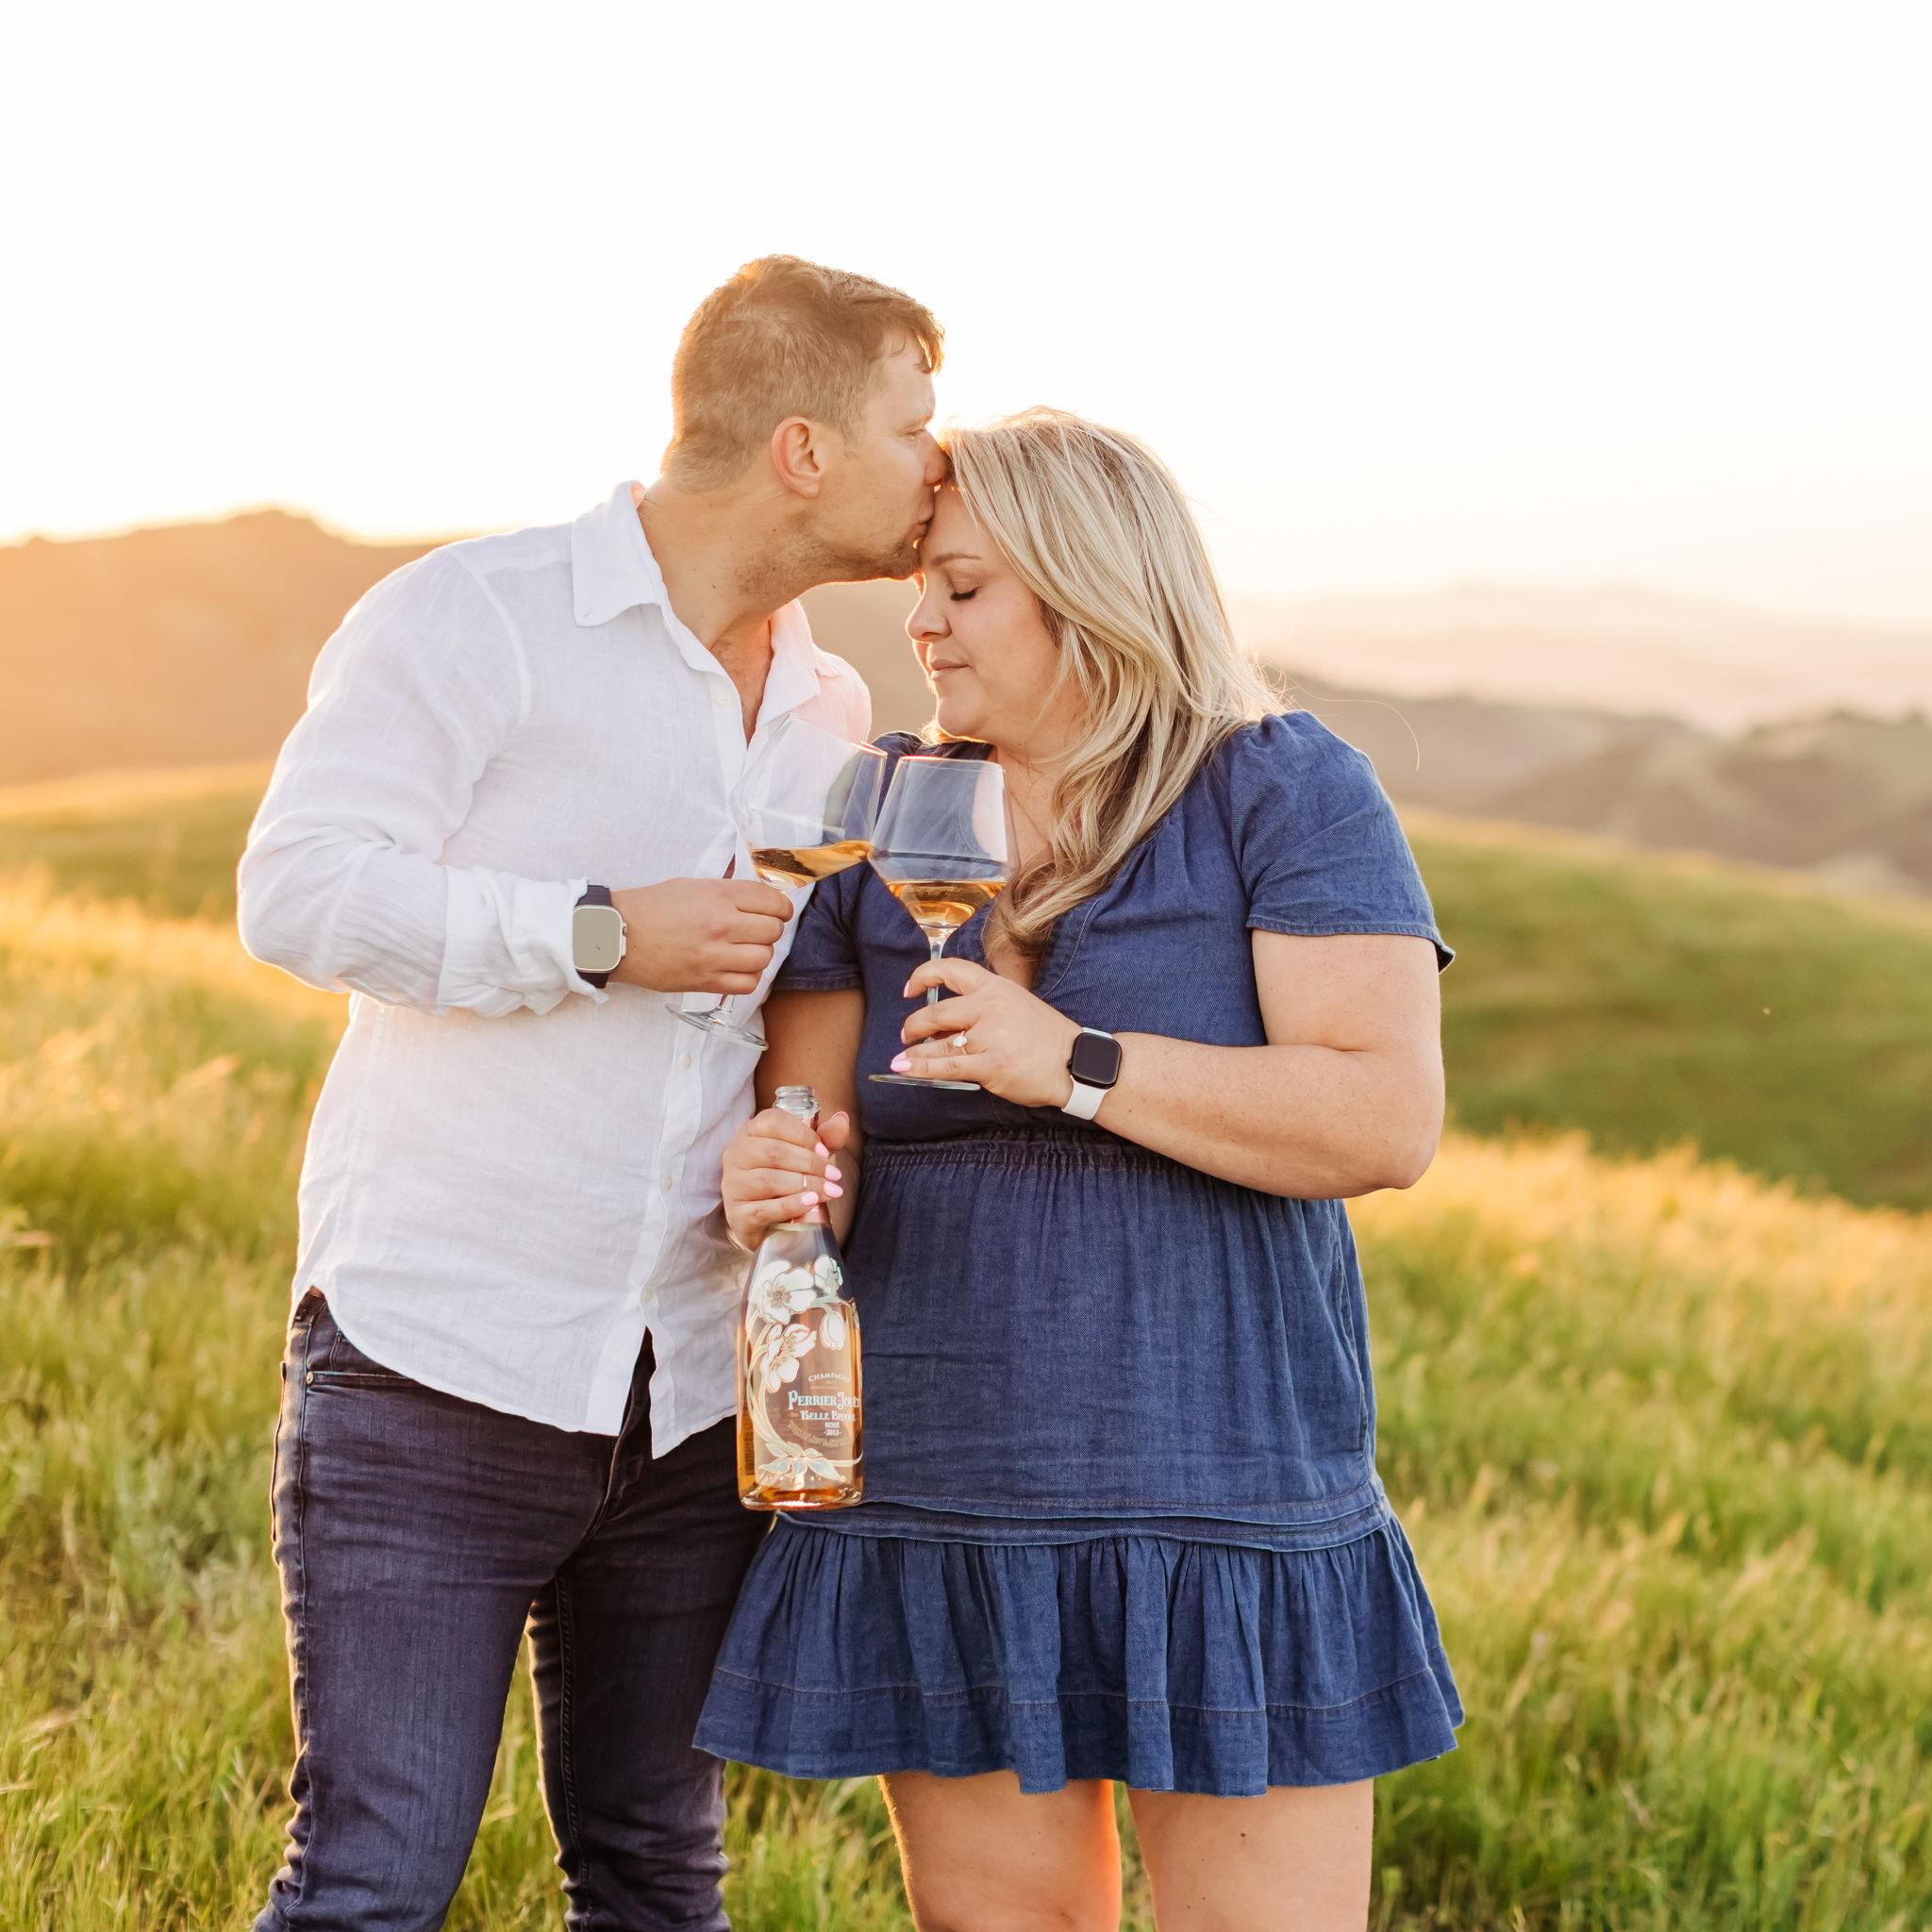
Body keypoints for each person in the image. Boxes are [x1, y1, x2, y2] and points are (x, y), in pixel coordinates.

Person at [235, 256, 945, 1932]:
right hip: (437, 1366)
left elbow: (784, 1008)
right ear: (801, 450)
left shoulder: (831, 706)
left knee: (655, 1879)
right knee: (372, 1885)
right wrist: (596, 934)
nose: (943, 461)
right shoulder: (474, 618)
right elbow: (298, 890)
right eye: (914, 427)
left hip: (688, 1400)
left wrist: (792, 1135)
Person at [697, 409, 1463, 1931]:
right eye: (921, 584)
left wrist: (1077, 1065)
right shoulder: (878, 804)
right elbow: (816, 1137)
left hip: (1225, 1492)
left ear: (1091, 585)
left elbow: (1382, 1120)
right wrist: (775, 1174)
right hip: (945, 1499)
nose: (923, 621)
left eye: (966, 587)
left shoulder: (1279, 789)